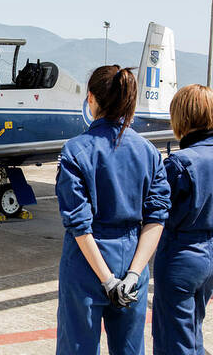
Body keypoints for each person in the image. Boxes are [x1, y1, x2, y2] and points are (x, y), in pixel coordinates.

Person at [55, 65, 171, 354]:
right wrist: (132, 275)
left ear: (91, 98)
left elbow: (79, 225)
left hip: (87, 263)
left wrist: (107, 279)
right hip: (134, 258)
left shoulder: (75, 150)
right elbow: (156, 218)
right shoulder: (149, 152)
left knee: (78, 347)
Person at [152, 84, 213, 355]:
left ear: (181, 116)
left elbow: (157, 213)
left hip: (180, 254)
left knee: (173, 339)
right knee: (192, 331)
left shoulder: (179, 164)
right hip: (212, 253)